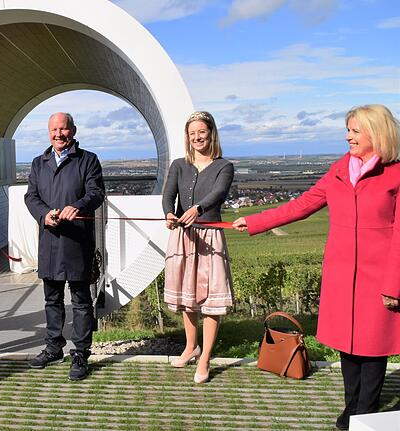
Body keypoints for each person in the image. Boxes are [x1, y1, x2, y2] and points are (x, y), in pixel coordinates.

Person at [233, 104, 400, 429]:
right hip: (341, 274)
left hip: (381, 275)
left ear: (376, 133)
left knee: (374, 347)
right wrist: (254, 221)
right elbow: (302, 204)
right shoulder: (339, 169)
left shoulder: (395, 174)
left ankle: (366, 414)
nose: (347, 135)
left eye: (354, 130)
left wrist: (395, 284)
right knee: (349, 347)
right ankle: (352, 408)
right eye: (348, 129)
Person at [24, 112, 105, 381]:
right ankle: (53, 347)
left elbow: (96, 193)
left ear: (73, 130)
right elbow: (31, 196)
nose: (59, 134)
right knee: (52, 299)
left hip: (78, 241)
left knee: (81, 302)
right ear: (49, 133)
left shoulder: (88, 160)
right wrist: (44, 214)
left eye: (64, 129)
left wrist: (78, 206)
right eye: (54, 130)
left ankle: (80, 353)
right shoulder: (38, 163)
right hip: (50, 240)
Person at [162, 111, 234, 384]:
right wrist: (169, 213)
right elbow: (169, 194)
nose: (196, 138)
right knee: (187, 297)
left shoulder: (224, 166)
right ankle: (191, 347)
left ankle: (205, 359)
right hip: (183, 236)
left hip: (210, 237)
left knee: (211, 300)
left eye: (201, 132)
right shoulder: (179, 164)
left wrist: (198, 208)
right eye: (192, 134)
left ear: (211, 133)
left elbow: (218, 194)